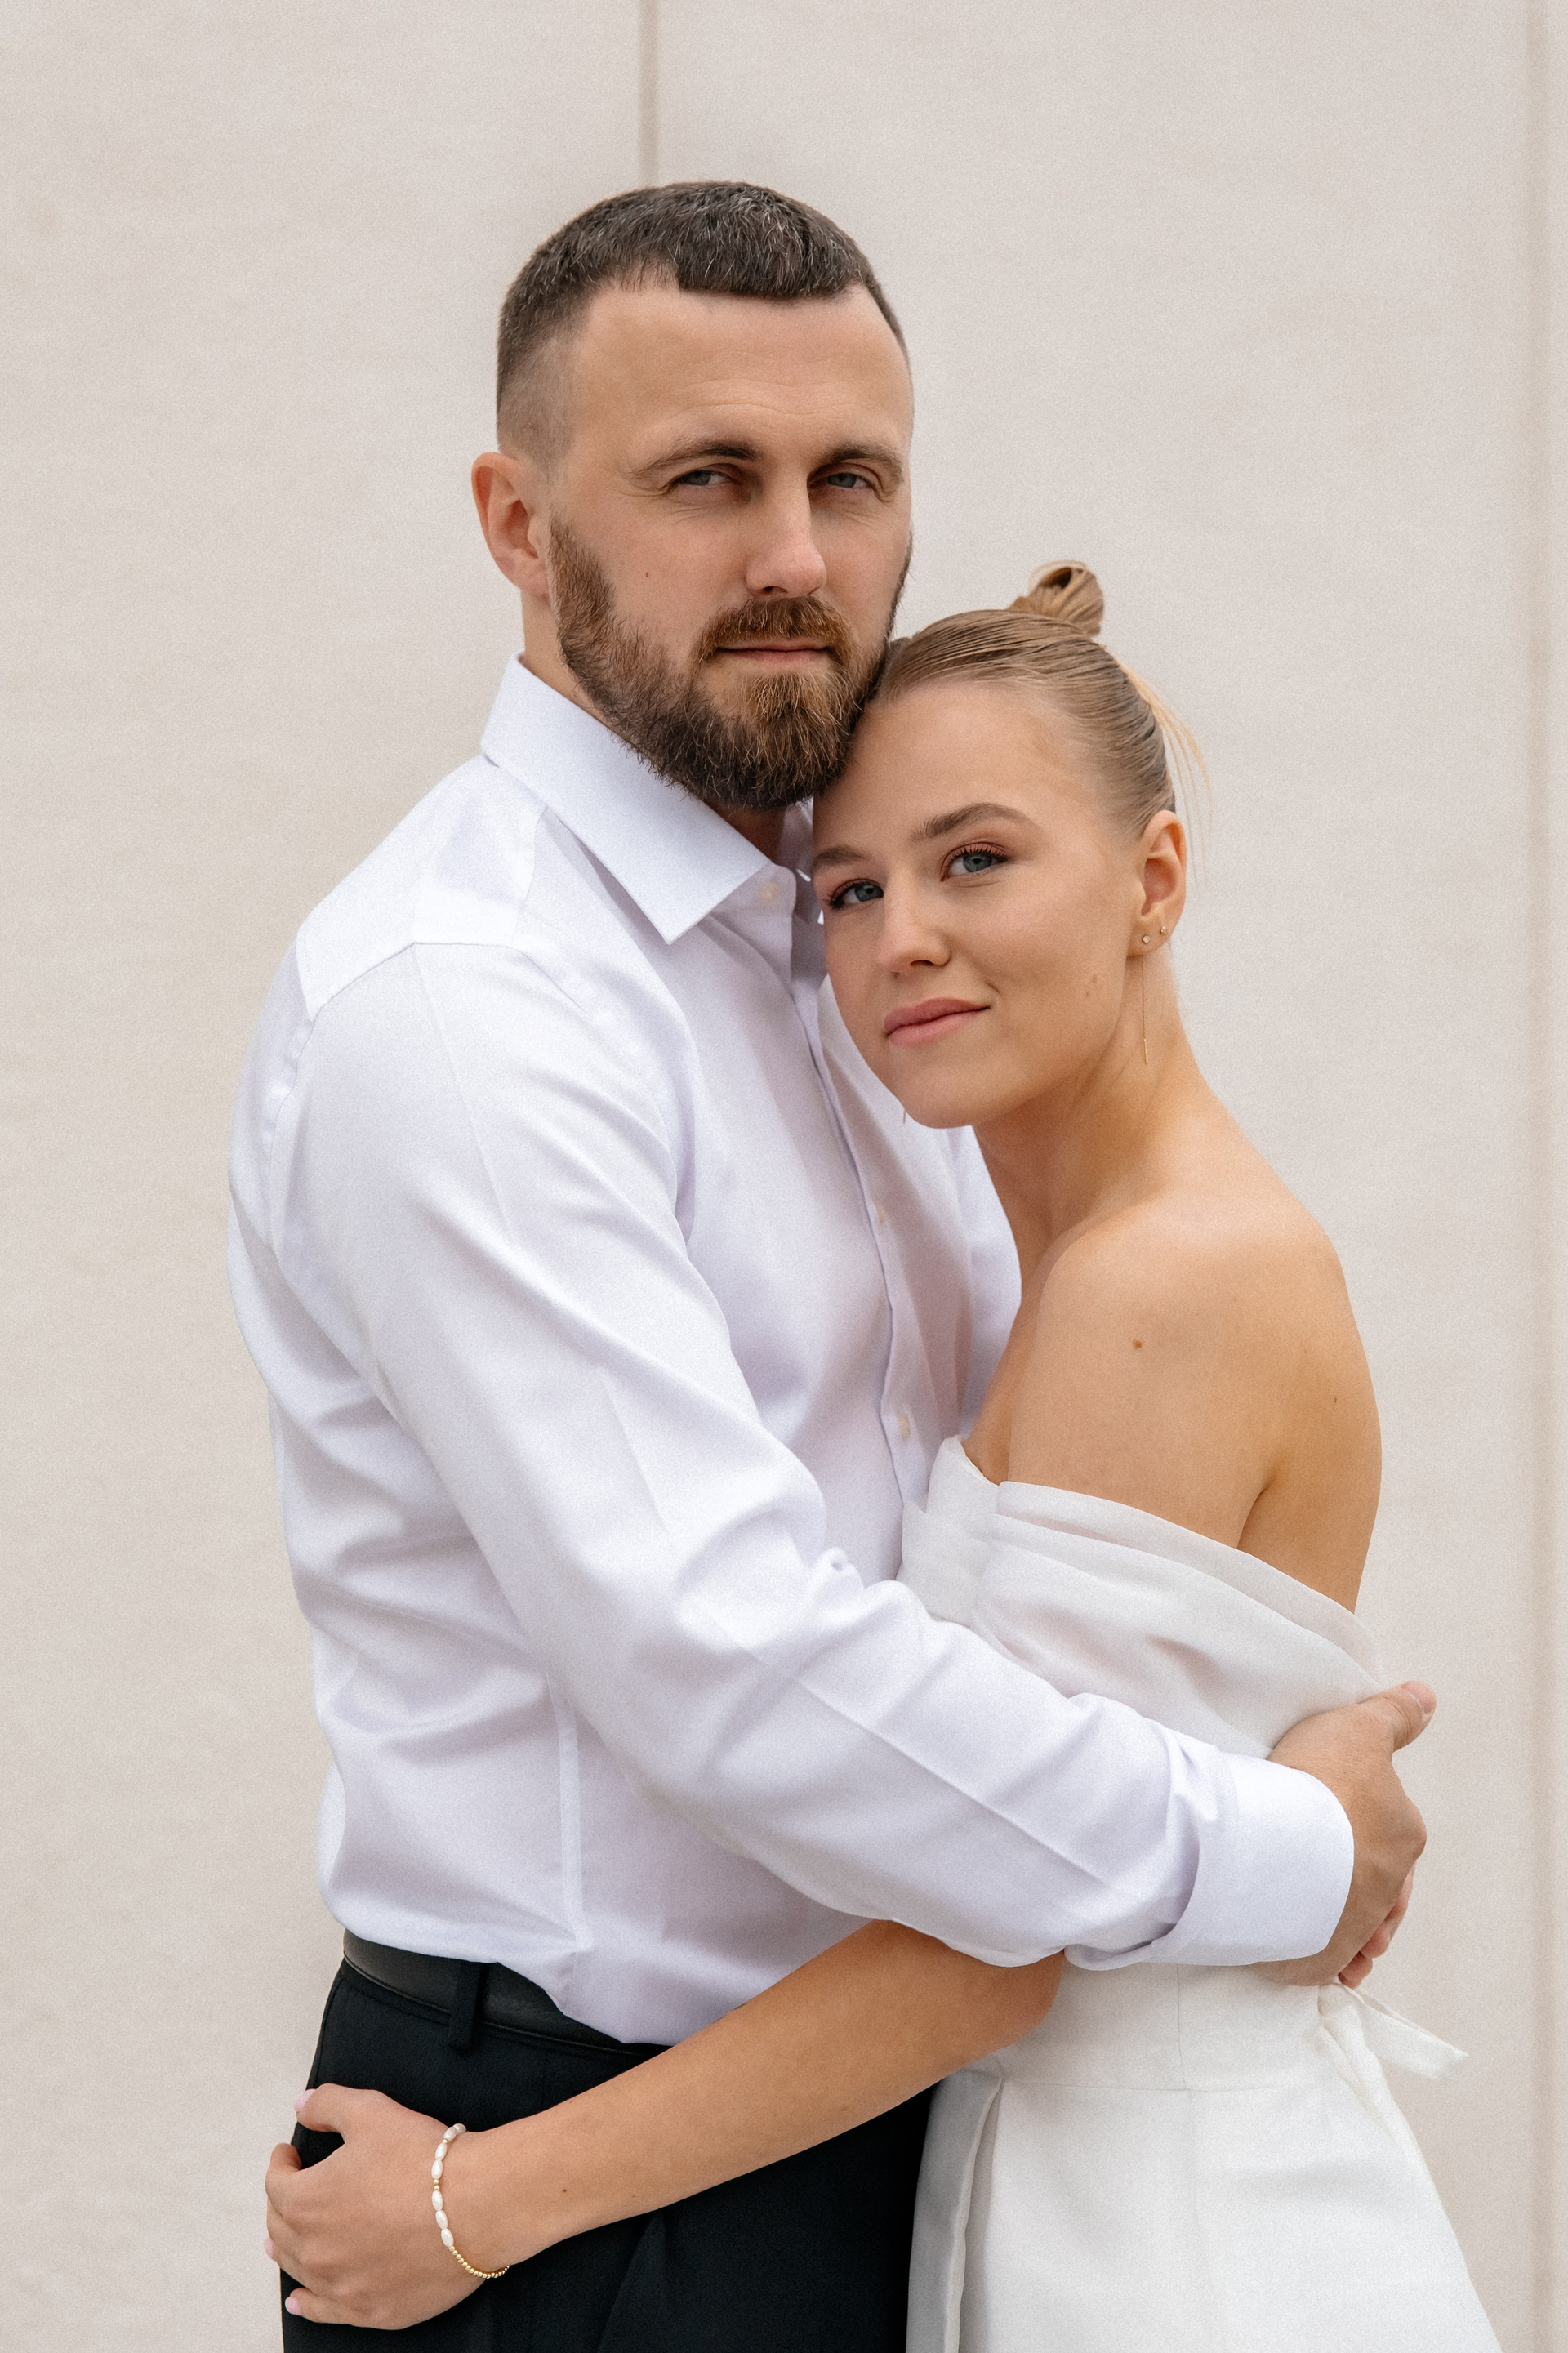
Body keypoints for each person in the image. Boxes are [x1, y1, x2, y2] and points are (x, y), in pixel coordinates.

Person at [234, 184, 1432, 2348]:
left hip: (918, 2109)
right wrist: (1273, 1853)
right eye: (708, 479)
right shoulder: (467, 1005)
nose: (796, 555)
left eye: (851, 478)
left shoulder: (872, 942)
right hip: (586, 2173)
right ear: (518, 524)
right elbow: (731, 1661)